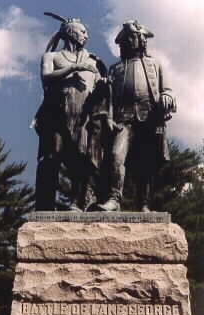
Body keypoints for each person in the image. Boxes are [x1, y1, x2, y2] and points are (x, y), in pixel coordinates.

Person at [98, 20, 176, 212]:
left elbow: (167, 90)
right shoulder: (115, 69)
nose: (133, 41)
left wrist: (167, 96)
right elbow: (107, 100)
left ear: (142, 40)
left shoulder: (154, 65)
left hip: (148, 118)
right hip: (123, 119)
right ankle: (115, 199)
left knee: (146, 162)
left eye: (136, 37)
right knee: (116, 155)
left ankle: (143, 203)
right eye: (129, 38)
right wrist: (108, 116)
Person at [34, 12, 106, 211]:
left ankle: (79, 201)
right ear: (70, 32)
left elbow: (99, 86)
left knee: (81, 156)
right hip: (56, 113)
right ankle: (44, 206)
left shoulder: (92, 60)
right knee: (51, 157)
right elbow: (47, 77)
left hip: (83, 115)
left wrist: (104, 85)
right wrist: (73, 67)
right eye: (82, 31)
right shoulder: (52, 56)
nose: (86, 35)